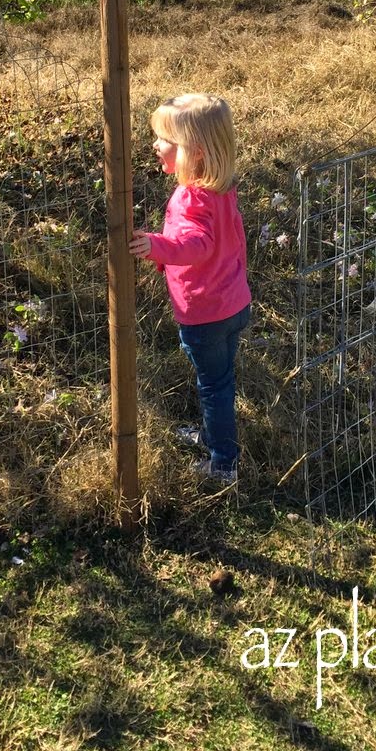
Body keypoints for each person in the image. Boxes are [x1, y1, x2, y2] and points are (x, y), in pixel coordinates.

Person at [129, 93, 251, 484]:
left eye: (165, 139)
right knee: (221, 379)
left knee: (214, 385)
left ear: (194, 153)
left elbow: (196, 245)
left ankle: (223, 463)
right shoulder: (222, 188)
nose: (156, 145)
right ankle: (216, 435)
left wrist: (155, 246)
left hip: (206, 312)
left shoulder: (192, 197)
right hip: (234, 303)